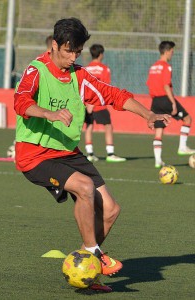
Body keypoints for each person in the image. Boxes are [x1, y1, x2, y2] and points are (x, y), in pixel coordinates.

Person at [14, 18, 170, 292]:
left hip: (67, 151)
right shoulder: (36, 70)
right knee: (85, 188)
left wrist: (149, 114)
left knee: (110, 209)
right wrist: (49, 113)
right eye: (67, 51)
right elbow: (21, 102)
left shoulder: (79, 76)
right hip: (35, 155)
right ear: (54, 45)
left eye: (77, 52)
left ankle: (84, 267)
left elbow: (114, 95)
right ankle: (95, 255)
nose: (72, 57)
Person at [146, 41, 195, 168]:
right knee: (187, 119)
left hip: (155, 100)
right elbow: (166, 85)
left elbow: (149, 84)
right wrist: (173, 102)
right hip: (166, 99)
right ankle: (182, 147)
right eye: (172, 51)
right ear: (167, 51)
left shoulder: (153, 67)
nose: (172, 54)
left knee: (159, 130)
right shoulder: (166, 66)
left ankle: (158, 161)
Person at [84, 44, 126, 162]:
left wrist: (88, 104)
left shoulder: (85, 69)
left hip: (86, 103)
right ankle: (110, 153)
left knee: (89, 126)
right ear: (101, 54)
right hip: (98, 103)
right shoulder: (104, 69)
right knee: (108, 126)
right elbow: (104, 87)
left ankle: (90, 153)